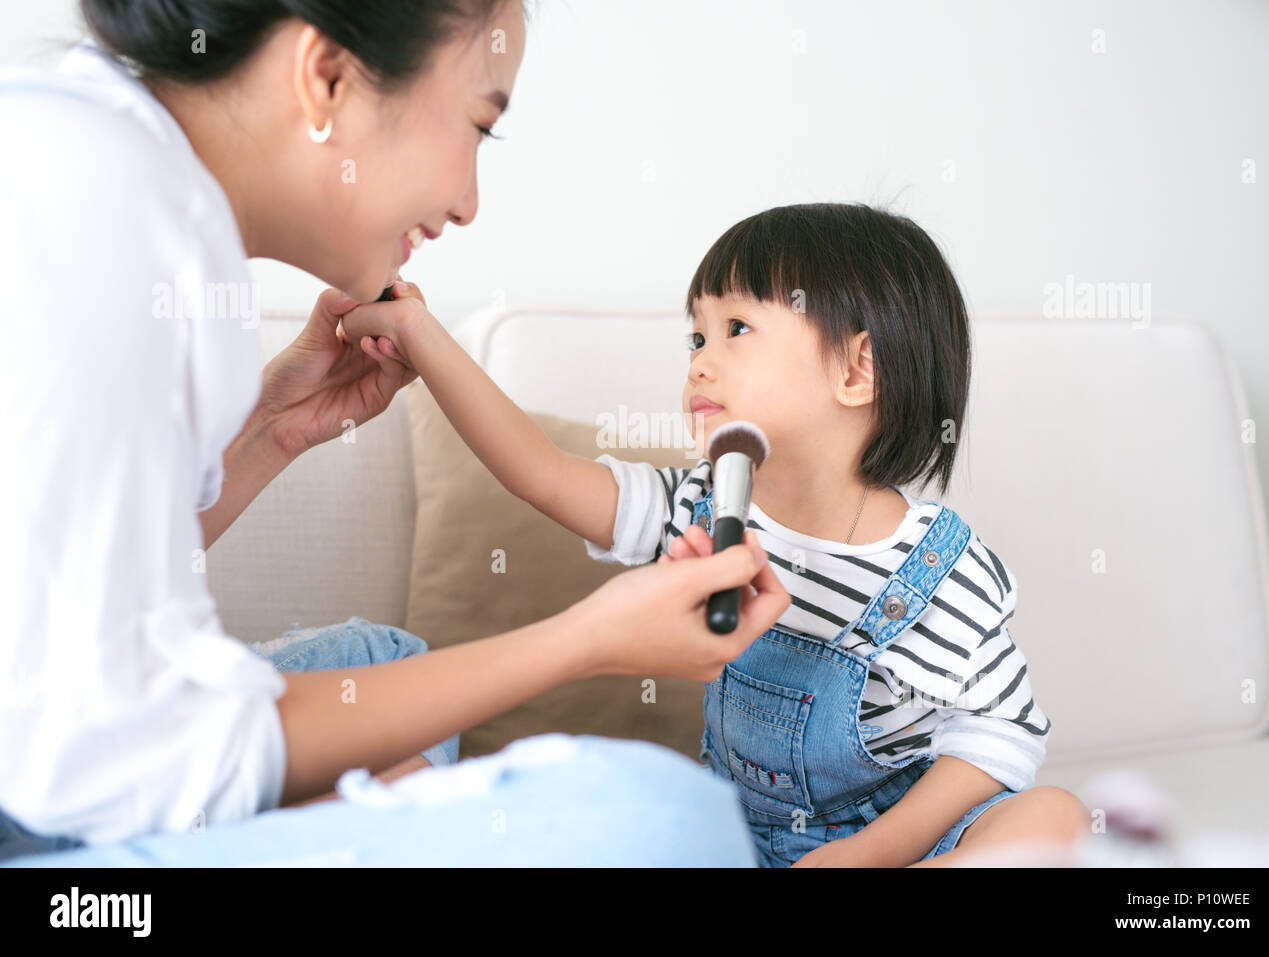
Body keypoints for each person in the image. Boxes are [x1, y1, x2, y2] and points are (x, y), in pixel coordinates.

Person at [0, 0, 789, 866]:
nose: (468, 204)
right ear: (327, 77)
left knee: (379, 657)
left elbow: (75, 604)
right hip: (69, 776)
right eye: (480, 126)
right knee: (665, 825)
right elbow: (117, 749)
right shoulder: (114, 227)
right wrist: (588, 640)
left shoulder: (110, 175)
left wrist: (272, 431)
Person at [336, 202, 1094, 866]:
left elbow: (1002, 737)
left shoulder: (940, 569)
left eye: (735, 328)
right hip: (731, 837)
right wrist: (421, 338)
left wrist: (865, 856)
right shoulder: (700, 504)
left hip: (893, 844)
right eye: (695, 337)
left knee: (1053, 817)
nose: (700, 362)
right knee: (620, 803)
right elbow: (540, 472)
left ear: (859, 369)